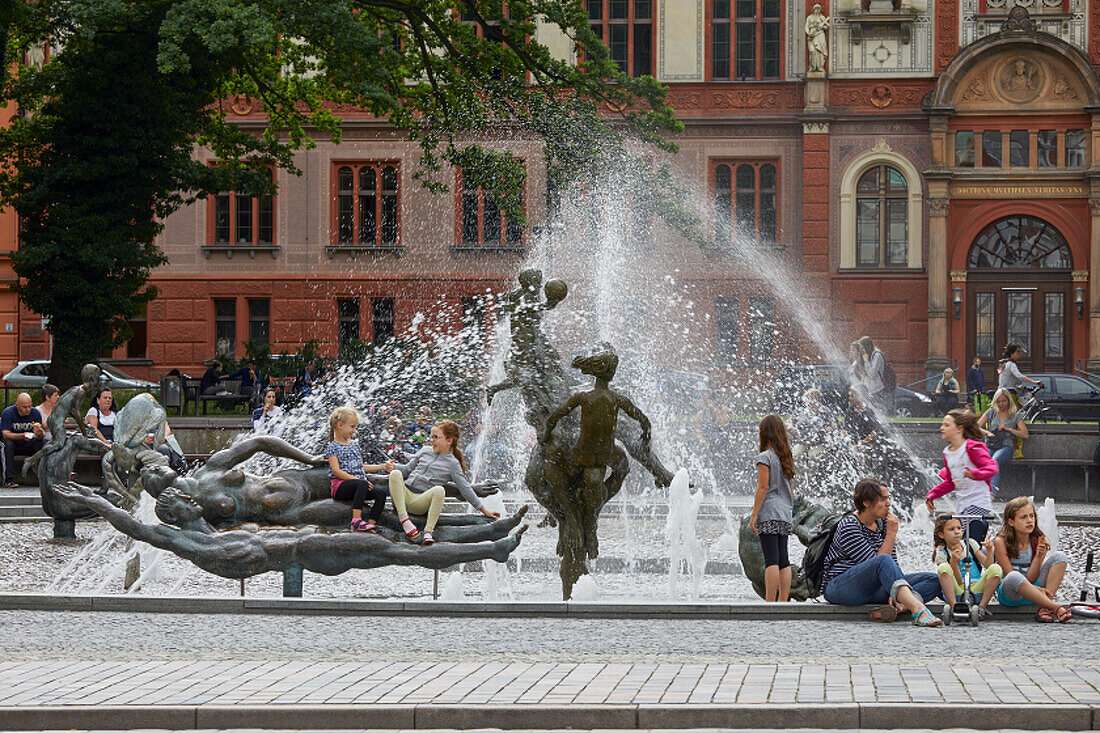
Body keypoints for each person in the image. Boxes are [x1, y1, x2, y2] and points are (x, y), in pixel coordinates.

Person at [53, 482, 527, 579]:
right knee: (403, 552)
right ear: (175, 515)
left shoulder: (215, 527)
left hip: (305, 543)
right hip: (307, 550)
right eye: (180, 501)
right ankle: (492, 549)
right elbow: (138, 528)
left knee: (402, 543)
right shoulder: (184, 538)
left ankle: (491, 541)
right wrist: (94, 501)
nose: (188, 497)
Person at [820, 478, 943, 626]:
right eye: (883, 499)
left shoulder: (882, 523)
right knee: (883, 561)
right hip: (842, 588)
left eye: (888, 499)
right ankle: (919, 611)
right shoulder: (849, 526)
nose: (888, 504)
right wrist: (891, 534)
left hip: (871, 589)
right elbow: (876, 564)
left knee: (935, 580)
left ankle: (899, 606)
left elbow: (893, 564)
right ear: (866, 502)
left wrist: (896, 587)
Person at [389, 419, 499, 545]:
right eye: (431, 437)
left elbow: (465, 489)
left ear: (449, 440)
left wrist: (485, 511)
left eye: (435, 437)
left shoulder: (452, 464)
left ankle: (428, 532)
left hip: (420, 502)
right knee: (395, 474)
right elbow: (406, 470)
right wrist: (393, 467)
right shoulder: (425, 450)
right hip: (403, 497)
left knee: (439, 490)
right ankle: (404, 520)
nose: (431, 440)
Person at [993, 496, 1072, 622]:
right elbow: (1009, 575)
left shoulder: (1036, 540)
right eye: (1023, 517)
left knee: (1060, 556)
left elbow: (1031, 577)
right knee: (1014, 576)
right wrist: (1034, 588)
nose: (1029, 521)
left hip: (1034, 591)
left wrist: (1039, 556)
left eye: (1032, 516)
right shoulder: (1000, 541)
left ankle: (1044, 607)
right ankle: (1055, 607)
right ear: (1011, 522)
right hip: (1011, 593)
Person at [924, 409, 997, 543]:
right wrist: (932, 494)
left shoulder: (972, 448)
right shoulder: (947, 453)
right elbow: (951, 483)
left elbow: (992, 468)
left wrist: (975, 474)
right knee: (961, 544)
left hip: (978, 503)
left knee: (967, 542)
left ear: (959, 429)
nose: (942, 428)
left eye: (946, 425)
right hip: (963, 506)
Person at [749, 414, 795, 603]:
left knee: (771, 559)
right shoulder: (786, 457)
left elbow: (763, 487)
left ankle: (770, 602)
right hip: (785, 511)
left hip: (769, 511)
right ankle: (783, 601)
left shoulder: (764, 457)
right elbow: (791, 490)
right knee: (784, 559)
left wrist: (754, 514)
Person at [326, 407, 392, 532]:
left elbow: (360, 466)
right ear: (340, 425)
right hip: (340, 486)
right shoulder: (332, 447)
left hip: (359, 486)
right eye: (352, 427)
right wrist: (359, 481)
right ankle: (356, 521)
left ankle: (370, 524)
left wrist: (382, 466)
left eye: (355, 427)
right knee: (362, 483)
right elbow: (336, 471)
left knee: (380, 494)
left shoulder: (355, 445)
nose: (354, 431)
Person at [932, 514, 1002, 620]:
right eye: (951, 529)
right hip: (957, 592)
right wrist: (953, 562)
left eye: (959, 528)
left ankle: (982, 607)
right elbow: (959, 581)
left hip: (976, 590)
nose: (956, 532)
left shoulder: (969, 543)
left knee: (996, 569)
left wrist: (989, 551)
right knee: (943, 568)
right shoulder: (942, 552)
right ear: (941, 534)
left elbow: (988, 565)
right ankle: (954, 607)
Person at [978, 388, 1027, 495]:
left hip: (1006, 446)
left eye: (1004, 401)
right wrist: (987, 433)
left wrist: (1009, 429)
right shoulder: (991, 412)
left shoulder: (1015, 415)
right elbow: (976, 427)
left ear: (1009, 401)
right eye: (998, 401)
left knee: (994, 461)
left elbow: (1025, 434)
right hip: (991, 444)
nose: (1001, 404)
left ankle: (992, 492)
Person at [2, 393, 45, 487]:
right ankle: (8, 480)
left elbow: (41, 435)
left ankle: (43, 478)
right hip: (13, 444)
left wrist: (40, 433)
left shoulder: (35, 413)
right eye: (24, 407)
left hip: (28, 444)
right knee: (7, 444)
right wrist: (22, 435)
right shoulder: (8, 412)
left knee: (41, 443)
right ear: (17, 405)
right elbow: (5, 434)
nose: (28, 409)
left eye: (29, 406)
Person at [858, 336, 890, 412]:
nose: (862, 350)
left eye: (863, 348)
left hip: (878, 390)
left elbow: (872, 374)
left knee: (878, 412)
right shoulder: (869, 356)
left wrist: (866, 362)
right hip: (869, 390)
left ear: (867, 346)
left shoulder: (877, 356)